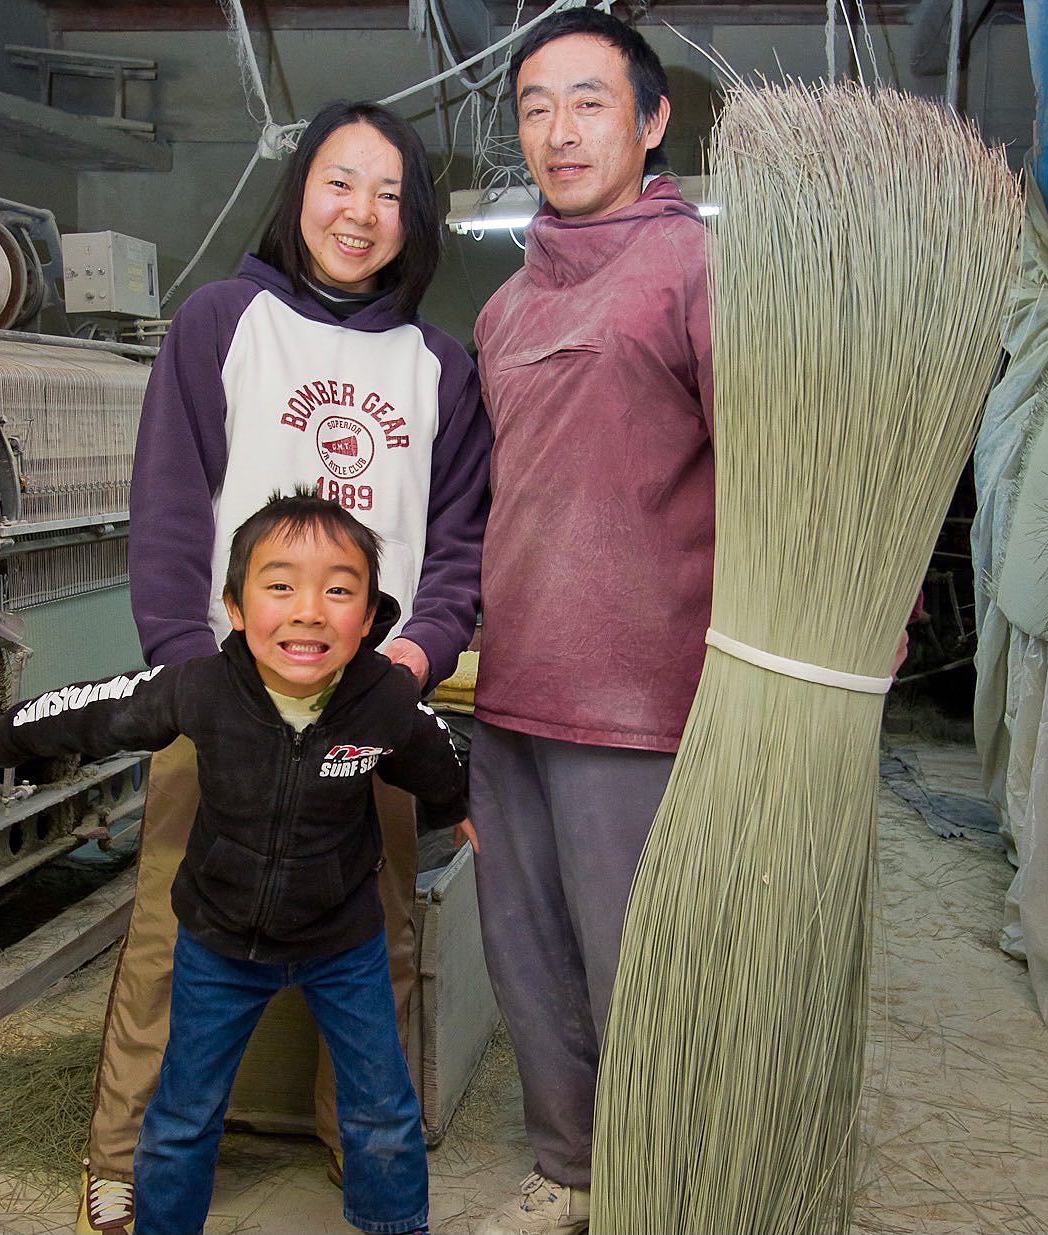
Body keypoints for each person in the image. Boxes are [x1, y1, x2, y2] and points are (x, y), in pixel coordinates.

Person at [75, 101, 490, 1234]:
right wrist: (185, 675)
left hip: (366, 701)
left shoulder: (438, 366)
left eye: (390, 194)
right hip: (228, 690)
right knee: (169, 927)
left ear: (417, 220)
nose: (361, 213)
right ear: (299, 188)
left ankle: (358, 1149)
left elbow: (456, 543)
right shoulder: (222, 320)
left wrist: (414, 656)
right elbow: (167, 509)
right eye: (339, 183)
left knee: (377, 936)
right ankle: (121, 1159)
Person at [0, 493, 478, 1235]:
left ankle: (395, 1223)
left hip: (345, 946)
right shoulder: (201, 688)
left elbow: (430, 751)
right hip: (220, 945)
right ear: (235, 607)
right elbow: (102, 708)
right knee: (183, 1111)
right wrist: (7, 734)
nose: (308, 610)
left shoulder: (384, 699)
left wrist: (462, 802)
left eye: (337, 589)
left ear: (367, 618)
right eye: (280, 586)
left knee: (383, 1108)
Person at [468, 12, 711, 1235]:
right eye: (532, 106)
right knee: (524, 953)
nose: (558, 131)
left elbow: (768, 480)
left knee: (641, 968)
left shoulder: (694, 273)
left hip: (637, 696)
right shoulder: (504, 309)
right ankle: (567, 1169)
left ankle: (662, 1180)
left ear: (651, 121)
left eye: (588, 101)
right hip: (510, 681)